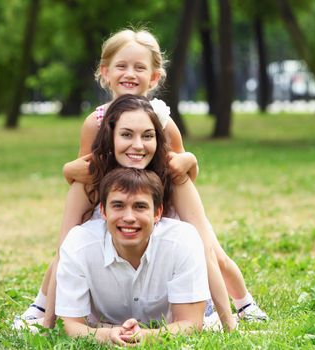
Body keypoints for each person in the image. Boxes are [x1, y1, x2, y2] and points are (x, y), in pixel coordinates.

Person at [18, 28, 267, 329]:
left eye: (139, 67)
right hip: (115, 201)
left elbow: (181, 168)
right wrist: (69, 171)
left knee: (211, 250)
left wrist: (191, 160)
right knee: (68, 250)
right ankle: (42, 307)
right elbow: (84, 168)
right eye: (121, 66)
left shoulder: (163, 122)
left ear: (154, 77)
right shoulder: (95, 123)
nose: (130, 74)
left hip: (160, 199)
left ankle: (243, 303)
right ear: (105, 72)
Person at [56, 167, 209, 346]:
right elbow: (69, 324)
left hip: (168, 322)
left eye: (140, 206)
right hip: (104, 326)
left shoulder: (183, 240)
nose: (129, 217)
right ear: (103, 211)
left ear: (157, 213)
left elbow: (191, 323)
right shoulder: (78, 244)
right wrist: (107, 335)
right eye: (118, 205)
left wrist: (147, 336)